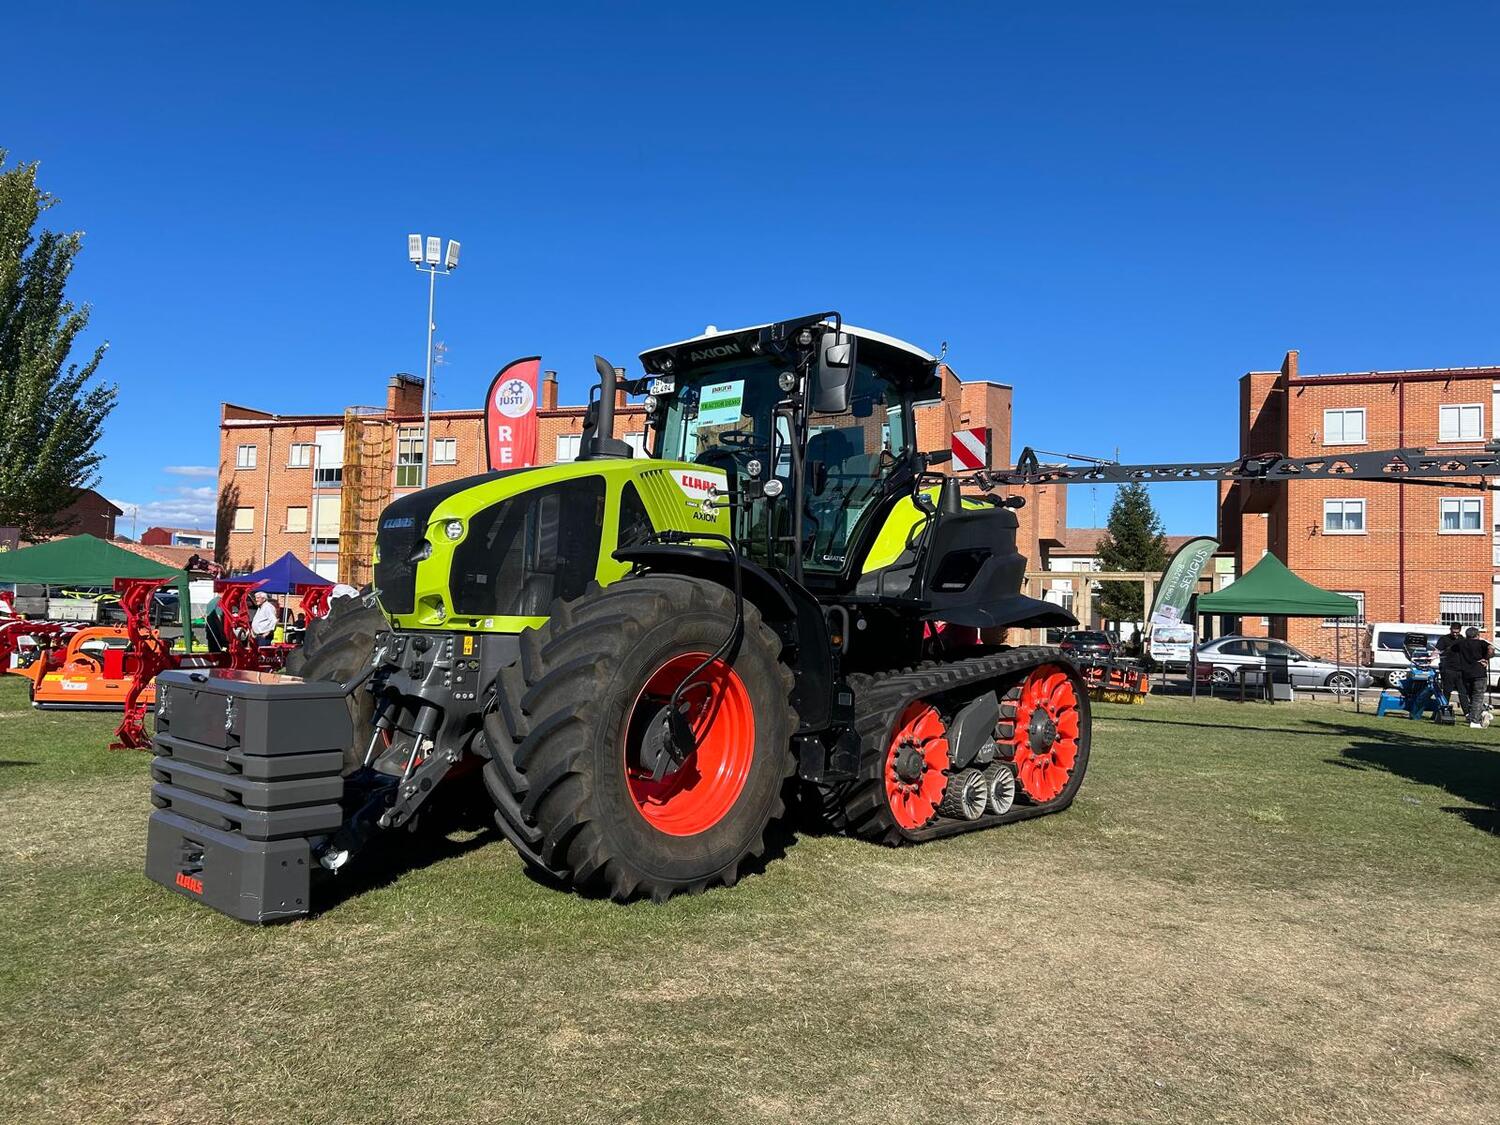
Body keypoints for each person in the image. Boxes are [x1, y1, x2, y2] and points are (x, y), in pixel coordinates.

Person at [1454, 627, 1493, 729]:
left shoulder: (1461, 643)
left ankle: (1482, 713)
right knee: (1478, 697)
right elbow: (1491, 649)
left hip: (1465, 674)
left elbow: (1451, 649)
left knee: (1471, 697)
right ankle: (1475, 721)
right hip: (1479, 673)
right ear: (1477, 635)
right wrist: (1486, 659)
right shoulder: (1481, 643)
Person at [1435, 622, 1465, 717]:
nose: (1455, 634)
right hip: (1448, 669)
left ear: (1460, 631)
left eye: (1457, 632)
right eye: (1453, 632)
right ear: (1450, 629)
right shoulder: (1444, 639)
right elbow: (1437, 651)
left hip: (1460, 670)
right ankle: (1441, 712)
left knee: (1463, 692)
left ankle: (1467, 713)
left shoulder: (1462, 640)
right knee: (1446, 692)